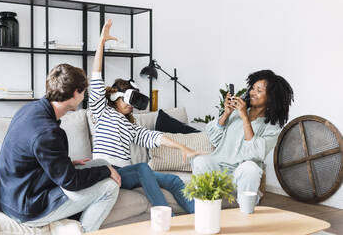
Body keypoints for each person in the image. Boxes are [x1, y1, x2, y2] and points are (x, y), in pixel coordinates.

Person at [0, 64, 121, 232]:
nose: (83, 97)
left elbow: (35, 158)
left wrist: (67, 164)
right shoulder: (48, 132)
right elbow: (70, 182)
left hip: (14, 190)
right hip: (26, 205)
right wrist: (107, 172)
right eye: (83, 92)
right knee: (109, 188)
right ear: (75, 93)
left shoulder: (30, 109)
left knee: (101, 162)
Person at [89, 19, 200, 214]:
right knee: (142, 168)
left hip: (126, 173)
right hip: (107, 172)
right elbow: (96, 76)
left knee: (173, 180)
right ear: (115, 96)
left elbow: (155, 137)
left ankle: (199, 216)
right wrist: (101, 42)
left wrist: (182, 147)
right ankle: (167, 216)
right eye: (128, 99)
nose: (131, 105)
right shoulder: (102, 111)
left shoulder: (131, 125)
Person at [191, 70, 294, 202]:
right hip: (218, 169)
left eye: (259, 90)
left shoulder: (272, 128)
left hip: (240, 175)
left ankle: (246, 210)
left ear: (271, 97)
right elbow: (213, 138)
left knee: (251, 168)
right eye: (252, 88)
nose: (252, 92)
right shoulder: (235, 114)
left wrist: (245, 117)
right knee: (201, 160)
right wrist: (226, 113)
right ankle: (203, 208)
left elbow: (255, 153)